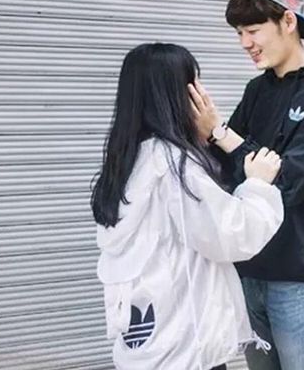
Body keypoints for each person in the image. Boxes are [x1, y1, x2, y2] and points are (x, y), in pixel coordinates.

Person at [188, 0, 304, 369]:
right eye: (239, 33)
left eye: (253, 30)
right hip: (250, 270)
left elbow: (288, 181)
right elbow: (228, 170)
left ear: (288, 20)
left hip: (302, 274)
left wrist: (222, 134)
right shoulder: (258, 91)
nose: (245, 43)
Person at [90, 42, 285, 370]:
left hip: (146, 349)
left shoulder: (125, 163)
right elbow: (231, 234)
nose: (202, 94)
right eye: (194, 83)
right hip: (185, 351)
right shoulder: (174, 164)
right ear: (178, 95)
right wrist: (258, 184)